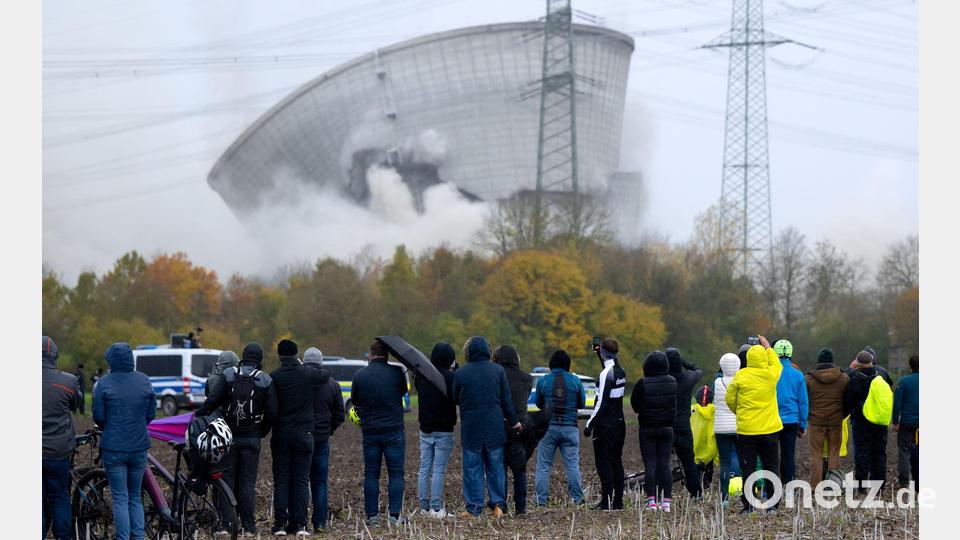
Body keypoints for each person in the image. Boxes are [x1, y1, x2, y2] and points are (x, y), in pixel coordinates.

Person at [200, 343, 278, 536]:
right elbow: (272, 411)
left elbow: (213, 400)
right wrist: (262, 431)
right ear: (259, 359)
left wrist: (200, 415)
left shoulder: (229, 375)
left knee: (227, 482)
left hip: (229, 438)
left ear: (243, 357)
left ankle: (227, 525)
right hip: (252, 438)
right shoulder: (265, 379)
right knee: (247, 484)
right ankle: (250, 528)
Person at [93, 342, 156, 540]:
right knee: (135, 496)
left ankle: (122, 538)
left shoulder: (104, 383)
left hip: (114, 447)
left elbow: (99, 416)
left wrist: (108, 428)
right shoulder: (144, 380)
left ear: (111, 360)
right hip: (139, 446)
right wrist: (138, 424)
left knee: (120, 497)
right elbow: (151, 412)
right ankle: (138, 537)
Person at [453, 336, 520, 518]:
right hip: (494, 427)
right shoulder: (498, 371)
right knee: (496, 467)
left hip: (471, 427)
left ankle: (473, 508)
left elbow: (455, 398)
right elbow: (506, 400)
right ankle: (498, 505)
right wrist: (514, 421)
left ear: (469, 351)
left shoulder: (461, 374)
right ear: (487, 351)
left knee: (472, 469)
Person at [270, 339, 330, 536]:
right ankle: (301, 525)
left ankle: (280, 524)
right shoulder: (306, 373)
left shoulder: (274, 377)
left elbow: (271, 407)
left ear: (279, 356)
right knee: (301, 480)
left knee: (282, 480)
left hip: (281, 435)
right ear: (297, 355)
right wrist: (303, 365)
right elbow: (325, 375)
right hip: (304, 435)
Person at [352, 339, 409, 526]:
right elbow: (402, 392)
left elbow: (356, 400)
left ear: (370, 354)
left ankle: (372, 516)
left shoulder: (360, 375)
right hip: (393, 430)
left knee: (371, 474)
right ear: (387, 355)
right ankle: (394, 516)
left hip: (370, 431)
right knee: (396, 474)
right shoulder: (397, 373)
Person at [726, 335, 782, 514]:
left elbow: (730, 400)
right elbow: (777, 364)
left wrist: (740, 413)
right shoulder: (770, 375)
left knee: (748, 467)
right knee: (771, 466)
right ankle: (772, 505)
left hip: (747, 430)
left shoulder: (740, 376)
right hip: (770, 430)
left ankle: (749, 505)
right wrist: (767, 347)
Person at [534, 349, 586, 507]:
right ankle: (578, 500)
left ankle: (541, 502)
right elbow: (582, 403)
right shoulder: (575, 381)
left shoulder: (543, 381)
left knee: (543, 466)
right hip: (570, 428)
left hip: (548, 429)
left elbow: (538, 403)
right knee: (572, 466)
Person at [42, 336, 81, 540]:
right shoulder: (68, 381)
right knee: (59, 498)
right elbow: (75, 404)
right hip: (58, 452)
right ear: (54, 356)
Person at [303, 348, 344, 532]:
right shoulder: (333, 385)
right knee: (320, 483)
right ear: (321, 363)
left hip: (302, 437)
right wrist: (329, 430)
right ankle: (320, 522)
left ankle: (300, 521)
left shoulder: (298, 382)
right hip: (321, 439)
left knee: (301, 480)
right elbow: (339, 415)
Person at [630, 351, 677, 512]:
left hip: (648, 428)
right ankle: (666, 502)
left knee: (650, 465)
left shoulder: (642, 383)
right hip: (667, 429)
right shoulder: (673, 382)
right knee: (665, 464)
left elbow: (635, 406)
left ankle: (652, 502)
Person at [414, 343, 457, 518]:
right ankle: (437, 508)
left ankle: (423, 507)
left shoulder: (422, 376)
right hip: (444, 429)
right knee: (439, 469)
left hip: (425, 428)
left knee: (424, 467)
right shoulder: (450, 377)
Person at [583, 339, 627, 511]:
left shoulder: (604, 374)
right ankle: (618, 501)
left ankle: (606, 501)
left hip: (605, 426)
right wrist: (600, 354)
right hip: (620, 423)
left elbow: (601, 403)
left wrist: (589, 425)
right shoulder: (620, 371)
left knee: (604, 464)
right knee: (617, 461)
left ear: (603, 352)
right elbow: (610, 366)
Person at [492, 344, 532, 515]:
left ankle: (501, 505)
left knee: (500, 468)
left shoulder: (497, 375)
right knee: (519, 469)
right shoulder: (527, 378)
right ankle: (521, 507)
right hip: (520, 427)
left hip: (500, 426)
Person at [847, 349, 894, 493]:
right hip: (879, 421)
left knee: (862, 453)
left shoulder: (855, 377)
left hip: (861, 421)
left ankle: (861, 487)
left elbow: (849, 400)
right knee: (879, 453)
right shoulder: (882, 375)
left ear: (858, 363)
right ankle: (879, 486)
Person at [804, 348, 852, 488]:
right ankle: (834, 485)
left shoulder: (809, 379)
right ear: (832, 361)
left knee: (816, 455)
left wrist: (808, 416)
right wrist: (842, 414)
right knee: (834, 454)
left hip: (815, 422)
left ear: (818, 361)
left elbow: (805, 400)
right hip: (835, 421)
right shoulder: (843, 378)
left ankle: (815, 486)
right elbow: (848, 399)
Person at [666, 347, 704, 499]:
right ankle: (697, 493)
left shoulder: (664, 380)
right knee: (689, 461)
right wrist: (684, 362)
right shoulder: (688, 379)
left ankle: (661, 494)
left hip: (666, 425)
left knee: (662, 462)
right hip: (683, 426)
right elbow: (698, 369)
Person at [772, 340, 808, 485]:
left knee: (771, 456)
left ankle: (773, 484)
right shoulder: (798, 375)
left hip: (772, 420)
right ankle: (789, 483)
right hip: (791, 421)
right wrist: (803, 424)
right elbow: (803, 402)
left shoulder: (770, 373)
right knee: (788, 454)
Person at [713, 352, 742, 507]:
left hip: (721, 429)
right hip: (739, 426)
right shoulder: (741, 381)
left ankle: (724, 498)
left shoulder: (717, 383)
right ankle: (744, 493)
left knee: (724, 463)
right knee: (743, 460)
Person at [892, 354, 919, 490]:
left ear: (910, 366)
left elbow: (897, 404)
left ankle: (904, 482)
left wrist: (895, 422)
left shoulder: (903, 382)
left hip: (907, 423)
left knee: (904, 451)